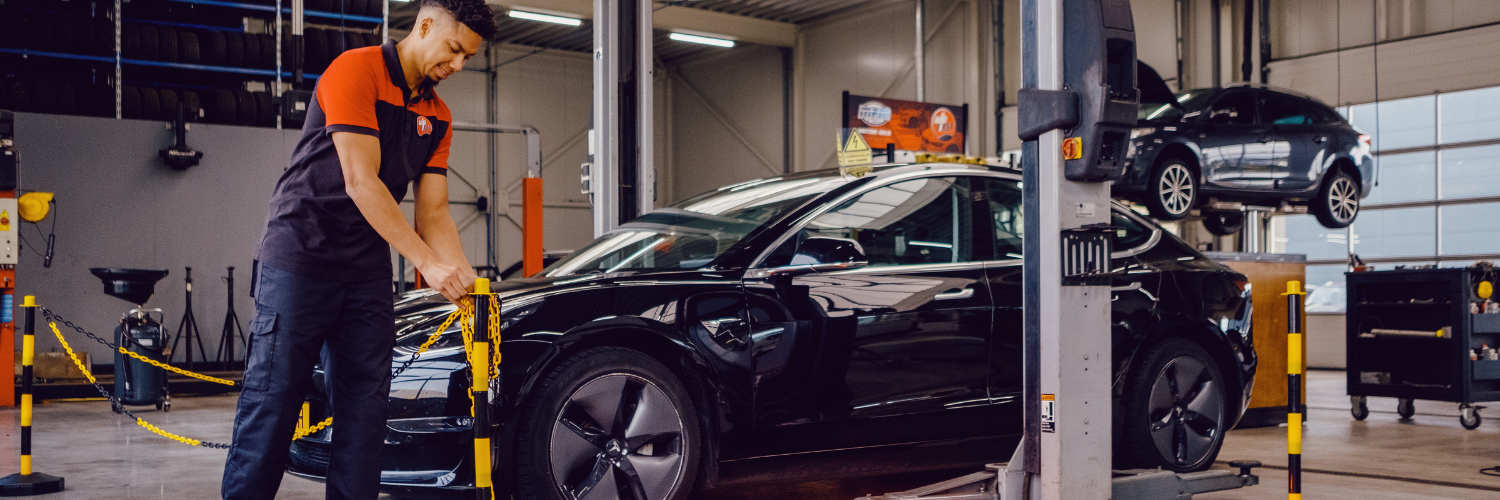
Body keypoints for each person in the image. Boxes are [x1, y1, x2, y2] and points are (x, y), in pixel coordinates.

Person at [222, 1, 497, 498]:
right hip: (300, 258)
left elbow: (434, 212)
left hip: (366, 272)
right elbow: (360, 181)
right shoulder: (356, 70)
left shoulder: (437, 116)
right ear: (426, 25)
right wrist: (425, 262)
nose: (458, 65)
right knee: (273, 401)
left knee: (365, 412)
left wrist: (465, 281)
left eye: (468, 58)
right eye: (455, 49)